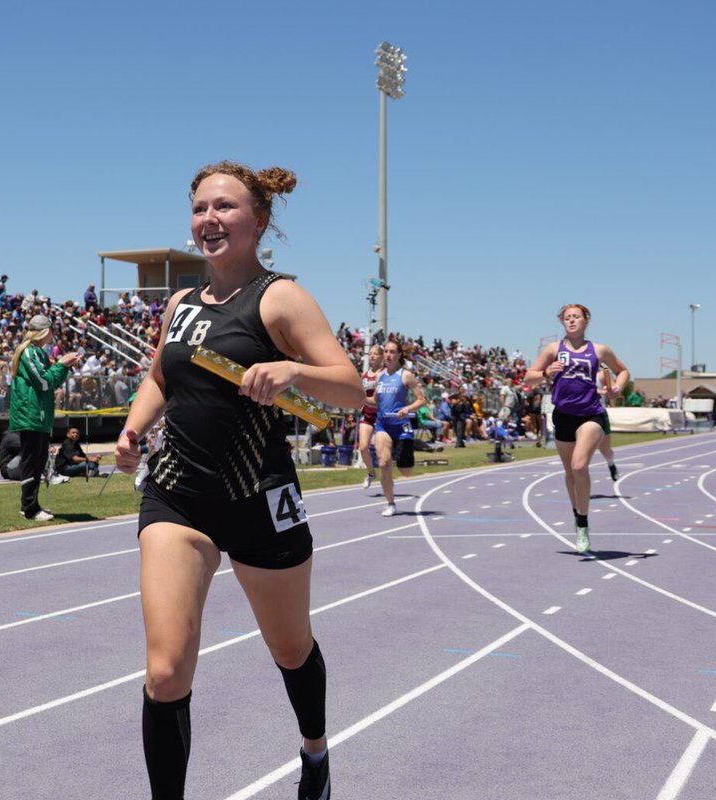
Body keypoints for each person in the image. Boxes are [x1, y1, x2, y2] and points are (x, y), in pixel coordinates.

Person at [113, 161, 363, 800]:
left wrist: (293, 371)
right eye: (200, 208)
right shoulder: (180, 304)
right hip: (178, 496)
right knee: (165, 672)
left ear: (259, 219)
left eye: (224, 207)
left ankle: (315, 753)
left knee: (290, 648)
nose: (210, 219)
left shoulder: (281, 299)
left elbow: (351, 388)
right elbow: (161, 377)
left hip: (260, 499)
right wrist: (134, 429)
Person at [525, 304, 630, 553]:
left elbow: (622, 371)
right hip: (563, 415)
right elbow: (529, 377)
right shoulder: (553, 349)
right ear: (562, 322)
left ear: (586, 321)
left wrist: (618, 387)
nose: (572, 321)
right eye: (567, 318)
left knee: (579, 466)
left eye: (576, 317)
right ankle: (577, 516)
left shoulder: (599, 350)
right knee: (571, 475)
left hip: (591, 414)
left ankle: (583, 524)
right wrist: (547, 373)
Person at [8, 314, 81, 520]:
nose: (53, 334)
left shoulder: (38, 352)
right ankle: (29, 508)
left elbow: (51, 382)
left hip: (38, 414)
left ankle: (31, 505)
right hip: (30, 414)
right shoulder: (29, 351)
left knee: (38, 462)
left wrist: (63, 366)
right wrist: (61, 364)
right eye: (51, 330)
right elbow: (45, 382)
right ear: (45, 331)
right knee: (32, 462)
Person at [372, 339, 425, 516]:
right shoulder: (379, 376)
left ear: (399, 355)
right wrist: (358, 399)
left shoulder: (406, 375)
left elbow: (421, 400)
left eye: (392, 352)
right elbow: (375, 401)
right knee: (384, 463)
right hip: (383, 425)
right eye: (386, 351)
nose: (388, 355)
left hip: (402, 426)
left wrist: (407, 409)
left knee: (406, 471)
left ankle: (397, 468)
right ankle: (391, 504)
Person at [357, 344, 384, 489]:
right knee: (363, 447)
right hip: (367, 415)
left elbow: (377, 400)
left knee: (381, 449)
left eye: (375, 354)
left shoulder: (384, 374)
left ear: (381, 356)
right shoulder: (364, 375)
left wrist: (362, 398)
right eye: (370, 354)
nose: (372, 356)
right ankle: (371, 473)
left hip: (381, 416)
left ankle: (386, 476)